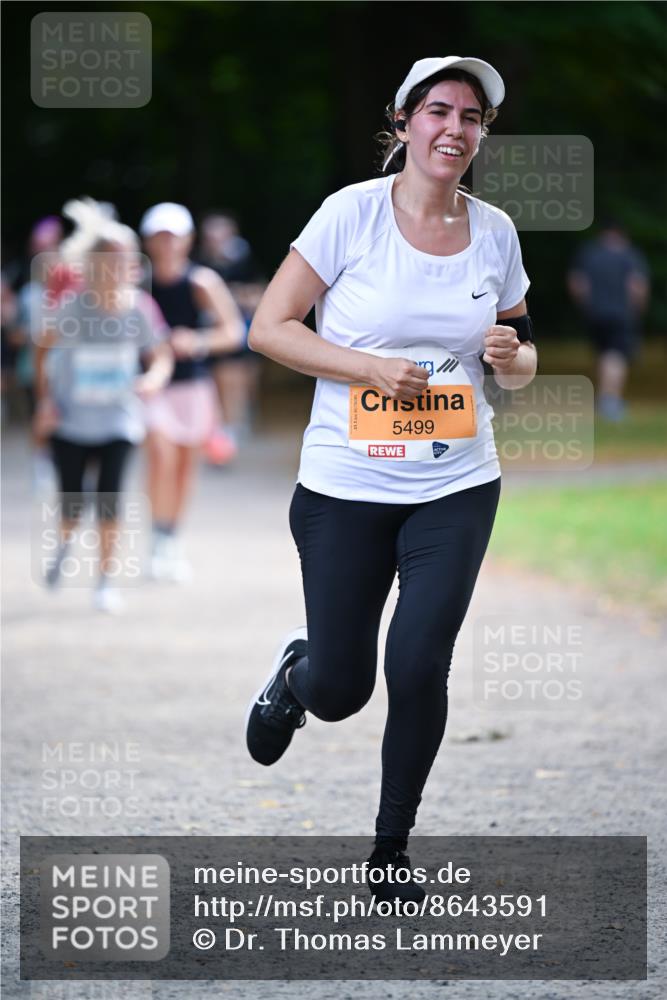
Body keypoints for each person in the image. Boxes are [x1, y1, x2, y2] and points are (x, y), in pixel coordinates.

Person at [244, 56, 537, 908]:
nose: (454, 128)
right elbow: (270, 327)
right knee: (344, 688)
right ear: (404, 121)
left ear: (482, 134)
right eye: (438, 110)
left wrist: (511, 357)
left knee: (418, 665)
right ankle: (294, 679)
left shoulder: (495, 232)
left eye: (472, 117)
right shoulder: (350, 215)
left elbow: (515, 366)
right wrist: (365, 368)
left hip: (456, 482)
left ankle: (389, 849)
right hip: (344, 484)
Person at [33, 198, 173, 613]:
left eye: (123, 258)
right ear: (90, 264)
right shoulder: (71, 306)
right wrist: (45, 401)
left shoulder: (140, 308)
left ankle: (104, 582)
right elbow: (43, 350)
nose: (115, 266)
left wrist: (152, 379)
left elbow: (161, 354)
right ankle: (64, 543)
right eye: (106, 258)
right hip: (71, 421)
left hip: (119, 422)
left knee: (109, 502)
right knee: (72, 502)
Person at [139, 203, 246, 581]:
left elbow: (233, 332)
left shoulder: (201, 282)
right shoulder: (136, 283)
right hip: (150, 387)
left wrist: (196, 341)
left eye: (173, 235)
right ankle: (156, 537)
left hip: (193, 387)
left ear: (187, 240)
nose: (167, 243)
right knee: (159, 456)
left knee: (184, 468)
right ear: (148, 240)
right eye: (159, 236)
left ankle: (170, 538)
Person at [196, 211, 266, 463]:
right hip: (209, 331)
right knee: (215, 382)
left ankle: (231, 429)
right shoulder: (200, 262)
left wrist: (232, 296)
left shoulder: (243, 260)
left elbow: (258, 292)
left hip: (237, 331)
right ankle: (223, 432)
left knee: (236, 379)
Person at [567, 220, 650, 421]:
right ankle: (610, 401)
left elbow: (577, 284)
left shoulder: (590, 254)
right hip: (620, 313)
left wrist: (587, 305)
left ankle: (603, 397)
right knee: (617, 356)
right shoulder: (629, 255)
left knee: (603, 355)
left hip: (595, 313)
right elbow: (637, 286)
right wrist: (637, 309)